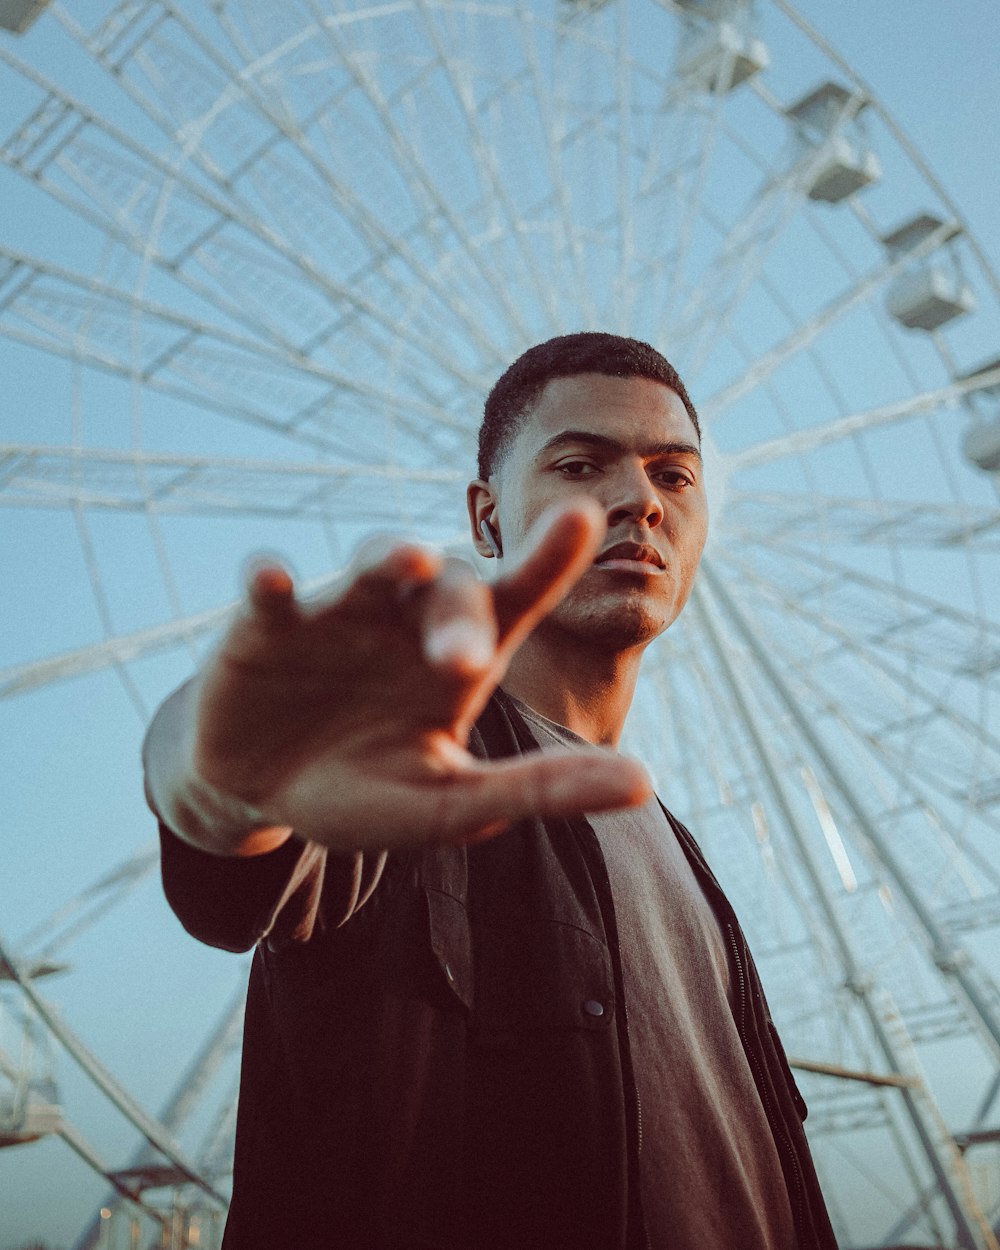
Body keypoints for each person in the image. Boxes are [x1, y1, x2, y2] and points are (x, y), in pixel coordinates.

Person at [143, 333, 838, 1250]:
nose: (638, 500)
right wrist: (225, 789)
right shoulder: (410, 779)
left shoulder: (685, 861)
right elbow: (237, 830)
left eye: (675, 476)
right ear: (486, 520)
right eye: (583, 464)